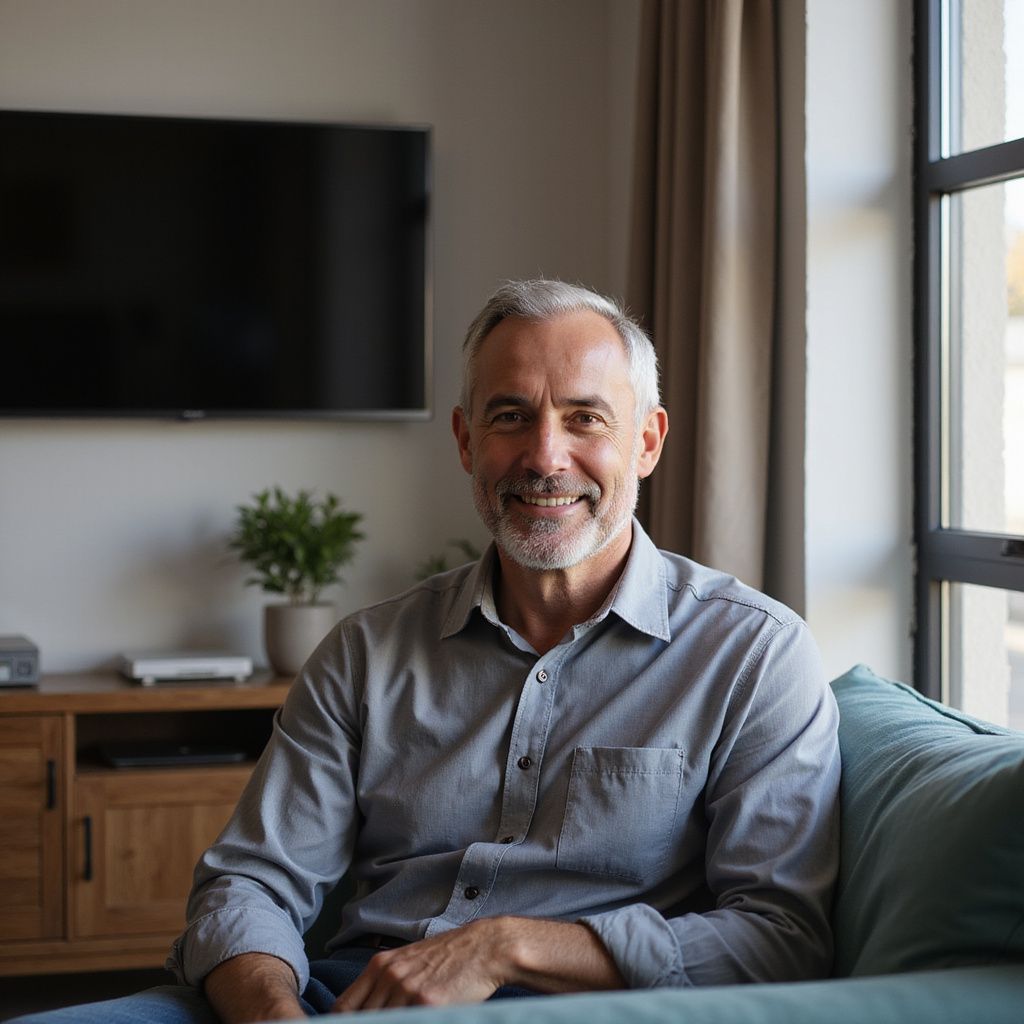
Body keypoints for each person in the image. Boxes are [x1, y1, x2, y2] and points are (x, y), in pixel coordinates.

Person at [14, 280, 840, 1023]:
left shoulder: (752, 656)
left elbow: (778, 939)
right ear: (466, 441)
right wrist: (271, 1015)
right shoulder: (363, 654)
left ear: (648, 442)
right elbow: (249, 884)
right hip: (333, 999)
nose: (545, 456)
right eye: (510, 415)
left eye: (585, 418)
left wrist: (501, 946)